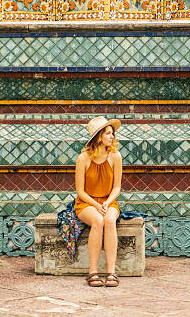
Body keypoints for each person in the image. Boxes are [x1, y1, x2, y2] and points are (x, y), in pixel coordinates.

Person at [75, 116, 122, 288]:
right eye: (108, 133)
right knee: (98, 220)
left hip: (109, 201)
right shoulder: (83, 159)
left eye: (112, 133)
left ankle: (111, 272)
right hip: (86, 202)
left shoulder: (116, 156)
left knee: (109, 220)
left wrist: (108, 202)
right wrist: (96, 205)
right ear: (99, 136)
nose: (112, 137)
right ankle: (93, 272)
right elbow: (80, 191)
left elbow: (117, 187)